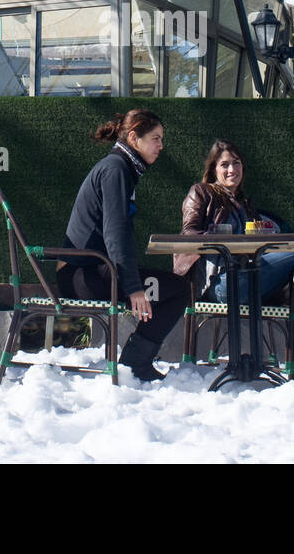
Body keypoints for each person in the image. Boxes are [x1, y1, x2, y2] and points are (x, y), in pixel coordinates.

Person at [176, 139, 294, 366]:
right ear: (213, 169)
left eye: (237, 163)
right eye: (224, 164)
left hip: (250, 276)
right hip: (221, 283)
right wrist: (221, 237)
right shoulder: (201, 192)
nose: (232, 169)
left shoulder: (245, 204)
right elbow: (188, 235)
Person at [58, 109, 189, 382]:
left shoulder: (121, 168)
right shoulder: (115, 169)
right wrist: (133, 287)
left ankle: (135, 362)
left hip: (88, 272)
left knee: (171, 287)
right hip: (86, 276)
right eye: (155, 138)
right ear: (134, 138)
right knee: (178, 290)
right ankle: (135, 364)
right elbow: (115, 234)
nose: (161, 146)